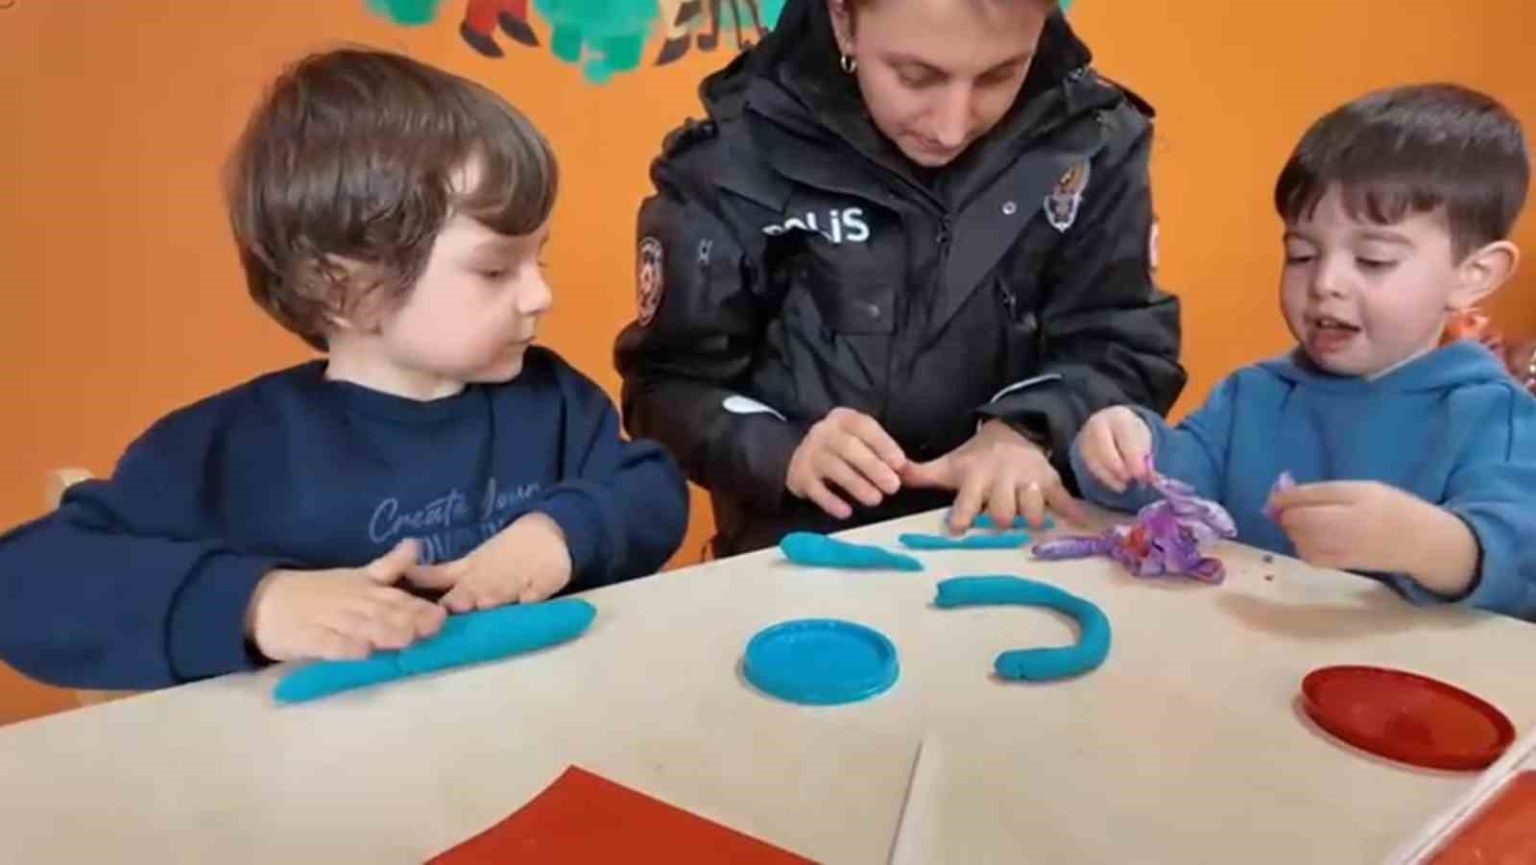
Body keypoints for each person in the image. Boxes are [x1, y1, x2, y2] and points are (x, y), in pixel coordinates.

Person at [0, 49, 689, 689]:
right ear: (341, 287)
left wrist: (560, 533)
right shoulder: (227, 450)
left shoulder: (552, 398)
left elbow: (652, 488)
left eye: (539, 258)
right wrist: (257, 602)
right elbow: (24, 583)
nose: (540, 294)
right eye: (494, 269)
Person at [615, 0, 1185, 557]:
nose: (951, 126)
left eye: (1000, 75)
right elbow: (665, 388)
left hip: (1020, 548)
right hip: (799, 566)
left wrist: (1030, 430)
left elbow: (1123, 346)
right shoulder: (731, 158)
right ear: (843, 19)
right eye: (916, 76)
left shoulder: (1094, 137)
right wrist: (784, 452)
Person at [1073, 84, 1535, 619]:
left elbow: (1521, 565)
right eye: (1301, 254)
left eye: (1374, 260)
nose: (1325, 283)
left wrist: (1436, 546)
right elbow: (1171, 488)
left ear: (1474, 276)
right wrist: (1122, 445)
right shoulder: (1253, 395)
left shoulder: (1494, 417)